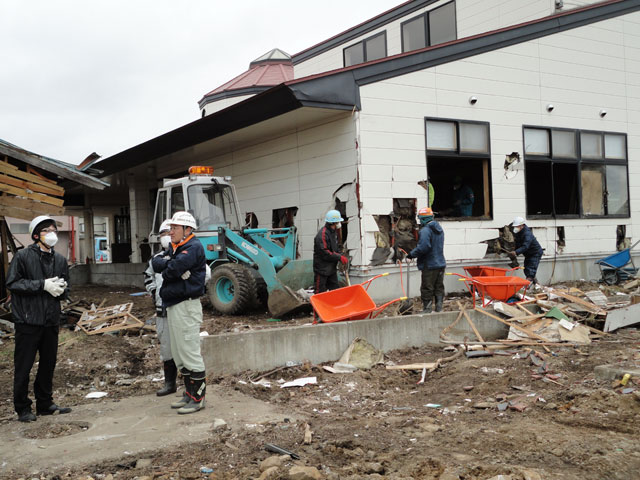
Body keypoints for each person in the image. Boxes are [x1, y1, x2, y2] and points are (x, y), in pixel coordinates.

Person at [6, 215, 71, 422]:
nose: (52, 234)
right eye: (46, 231)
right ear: (36, 236)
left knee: (48, 363)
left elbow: (65, 287)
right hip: (28, 320)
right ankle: (22, 407)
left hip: (50, 319)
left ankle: (45, 403)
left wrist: (61, 289)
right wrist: (41, 285)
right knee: (24, 365)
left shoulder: (59, 259)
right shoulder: (23, 256)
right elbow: (13, 283)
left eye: (53, 230)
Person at [152, 211, 207, 414]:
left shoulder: (192, 247)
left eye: (175, 228)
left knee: (189, 352)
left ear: (187, 230)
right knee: (178, 352)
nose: (170, 231)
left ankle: (198, 397)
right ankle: (189, 394)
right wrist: (170, 265)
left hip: (186, 305)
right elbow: (157, 264)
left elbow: (171, 270)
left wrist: (170, 267)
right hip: (175, 303)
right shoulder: (178, 248)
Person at [144, 220, 176, 396]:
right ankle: (170, 384)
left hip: (179, 308)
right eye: (162, 234)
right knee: (166, 347)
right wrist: (154, 290)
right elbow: (148, 277)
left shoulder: (184, 255)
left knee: (184, 347)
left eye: (168, 232)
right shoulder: (155, 259)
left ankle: (190, 385)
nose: (166, 237)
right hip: (161, 308)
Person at [407, 207, 446, 313]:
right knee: (438, 286)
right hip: (441, 263)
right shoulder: (439, 229)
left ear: (422, 219)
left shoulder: (425, 231)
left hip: (429, 264)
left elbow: (424, 247)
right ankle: (439, 307)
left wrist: (411, 255)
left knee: (427, 287)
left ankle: (427, 309)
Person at [313, 210, 348, 293]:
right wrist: (339, 257)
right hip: (322, 269)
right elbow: (325, 253)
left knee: (335, 291)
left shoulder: (333, 233)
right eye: (338, 222)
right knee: (319, 293)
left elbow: (335, 249)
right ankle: (316, 306)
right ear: (333, 223)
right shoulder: (322, 235)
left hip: (331, 269)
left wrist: (341, 256)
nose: (339, 224)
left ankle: (335, 305)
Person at [509, 216, 544, 284]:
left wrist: (516, 252)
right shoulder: (519, 232)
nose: (515, 228)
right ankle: (536, 285)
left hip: (535, 253)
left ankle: (527, 287)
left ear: (522, 225)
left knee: (530, 270)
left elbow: (525, 246)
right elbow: (519, 243)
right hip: (528, 254)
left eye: (517, 226)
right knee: (527, 269)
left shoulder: (527, 234)